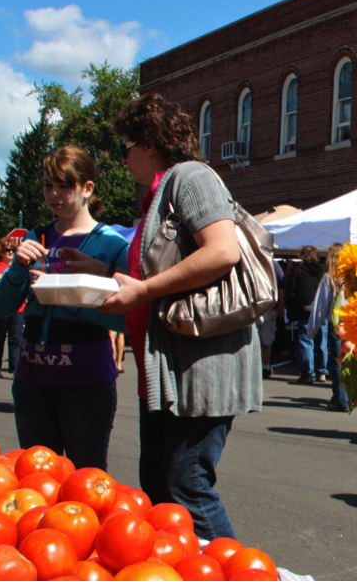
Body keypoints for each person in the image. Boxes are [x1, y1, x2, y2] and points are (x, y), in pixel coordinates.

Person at [101, 93, 262, 540]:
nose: (123, 159)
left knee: (185, 485)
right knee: (158, 485)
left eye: (125, 146)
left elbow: (223, 250)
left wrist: (145, 290)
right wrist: (96, 271)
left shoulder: (190, 178)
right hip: (171, 369)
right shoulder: (160, 194)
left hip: (198, 367)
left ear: (149, 143)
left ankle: (236, 572)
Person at [0, 146, 129, 470]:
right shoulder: (35, 237)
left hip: (87, 384)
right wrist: (17, 270)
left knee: (86, 481)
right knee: (37, 481)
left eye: (64, 186)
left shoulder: (111, 244)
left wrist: (65, 295)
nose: (54, 194)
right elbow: (1, 306)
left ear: (87, 188)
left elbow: (128, 320)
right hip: (32, 381)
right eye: (48, 185)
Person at [307, 243, 348, 412]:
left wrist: (312, 330)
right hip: (355, 323)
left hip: (338, 324)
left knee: (338, 361)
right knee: (352, 360)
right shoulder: (352, 277)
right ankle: (350, 396)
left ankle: (341, 400)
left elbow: (320, 306)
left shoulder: (329, 278)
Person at [286, 246, 327, 384]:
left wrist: (290, 309)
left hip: (304, 310)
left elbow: (291, 293)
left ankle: (308, 373)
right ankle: (321, 371)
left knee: (306, 341)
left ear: (303, 256)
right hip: (322, 309)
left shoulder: (298, 272)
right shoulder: (324, 272)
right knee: (321, 341)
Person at [0, 238, 25, 377]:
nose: (11, 253)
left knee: (16, 339)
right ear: (0, 251)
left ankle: (15, 369)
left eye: (13, 250)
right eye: (8, 250)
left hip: (18, 308)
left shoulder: (19, 266)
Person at [259, 258, 286, 379]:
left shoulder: (251, 259)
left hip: (252, 305)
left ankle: (259, 366)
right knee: (267, 340)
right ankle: (265, 366)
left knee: (253, 339)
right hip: (269, 305)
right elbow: (282, 286)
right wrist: (282, 306)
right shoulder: (274, 264)